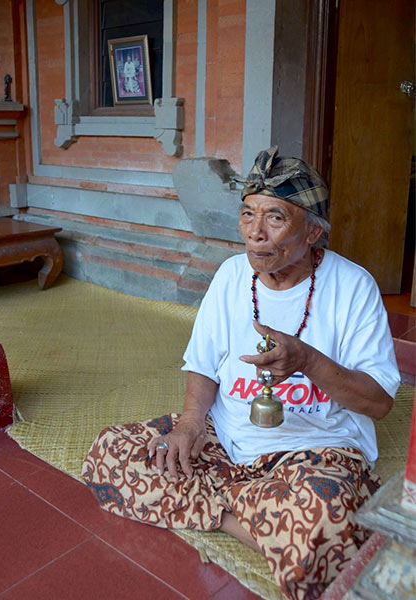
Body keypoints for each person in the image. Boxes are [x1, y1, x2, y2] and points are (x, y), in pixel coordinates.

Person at [82, 146, 400, 600]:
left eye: (275, 218)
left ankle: (248, 514)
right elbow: (203, 363)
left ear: (313, 231)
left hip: (312, 452)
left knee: (324, 519)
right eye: (248, 214)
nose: (255, 232)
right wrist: (190, 425)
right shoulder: (232, 275)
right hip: (224, 441)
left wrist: (308, 361)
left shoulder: (353, 287)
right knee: (110, 453)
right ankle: (255, 522)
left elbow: (379, 403)